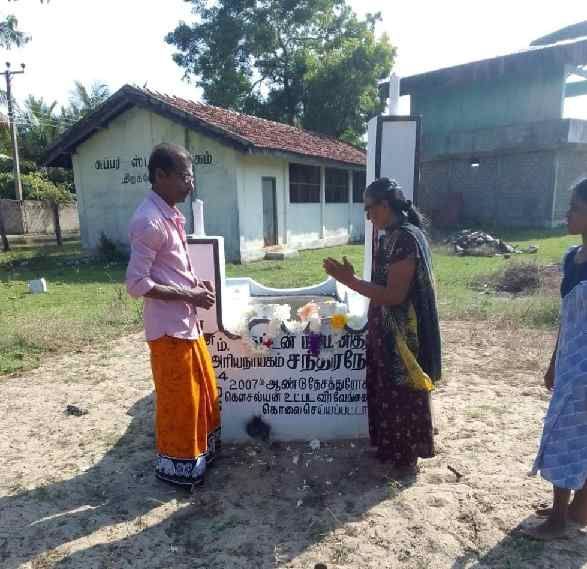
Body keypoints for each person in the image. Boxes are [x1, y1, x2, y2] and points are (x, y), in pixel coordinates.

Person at [323, 177, 441, 475]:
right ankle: (390, 447)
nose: (367, 215)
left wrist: (350, 282)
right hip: (385, 326)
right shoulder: (387, 236)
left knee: (401, 389)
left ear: (385, 205)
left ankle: (405, 455)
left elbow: (395, 295)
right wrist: (356, 281)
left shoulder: (405, 238)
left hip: (402, 334)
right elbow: (381, 286)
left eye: (370, 208)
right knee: (384, 386)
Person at [126, 142, 220, 488]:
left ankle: (198, 457)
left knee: (204, 391)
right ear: (160, 175)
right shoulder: (149, 221)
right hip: (168, 329)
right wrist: (189, 294)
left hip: (185, 323)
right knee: (179, 400)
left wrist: (195, 288)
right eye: (184, 175)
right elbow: (136, 283)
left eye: (192, 174)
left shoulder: (169, 214)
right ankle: (178, 467)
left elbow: (171, 270)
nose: (190, 182)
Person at [528, 178, 587, 539]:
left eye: (576, 208)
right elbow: (568, 319)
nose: (568, 214)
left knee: (567, 435)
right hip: (570, 363)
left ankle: (557, 520)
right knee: (568, 431)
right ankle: (576, 509)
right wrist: (553, 361)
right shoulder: (572, 258)